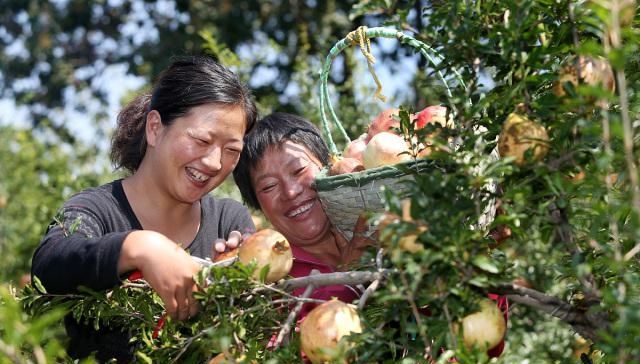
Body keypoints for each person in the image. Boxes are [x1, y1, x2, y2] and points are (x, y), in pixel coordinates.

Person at [31, 55, 257, 363]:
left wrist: (236, 272)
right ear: (155, 128)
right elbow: (49, 264)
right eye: (202, 140)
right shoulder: (96, 210)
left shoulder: (227, 220)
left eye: (231, 150)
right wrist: (139, 246)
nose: (215, 163)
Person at [233, 112, 508, 358]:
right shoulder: (268, 281)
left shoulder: (398, 226)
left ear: (329, 168)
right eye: (269, 187)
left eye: (299, 171)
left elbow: (486, 344)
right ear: (256, 202)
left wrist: (477, 263)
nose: (291, 192)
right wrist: (352, 281)